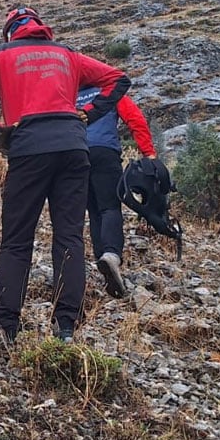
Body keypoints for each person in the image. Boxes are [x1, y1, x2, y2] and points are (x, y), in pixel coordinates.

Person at [0, 6, 130, 345]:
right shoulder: (68, 55)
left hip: (29, 148)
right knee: (69, 238)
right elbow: (118, 79)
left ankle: (6, 329)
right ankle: (66, 327)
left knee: (17, 239)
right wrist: (87, 115)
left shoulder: (1, 54)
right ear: (41, 28)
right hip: (73, 147)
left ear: (10, 32)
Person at [76, 86, 157, 300]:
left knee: (93, 212)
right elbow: (135, 120)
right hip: (104, 152)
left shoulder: (69, 94)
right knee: (109, 207)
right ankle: (111, 255)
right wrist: (148, 153)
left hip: (74, 155)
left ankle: (104, 267)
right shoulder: (109, 91)